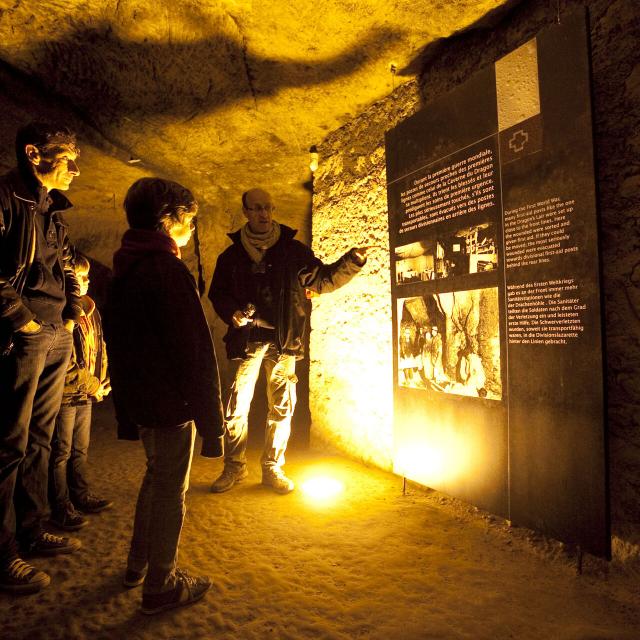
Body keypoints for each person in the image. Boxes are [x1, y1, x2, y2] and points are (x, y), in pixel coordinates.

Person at [107, 177, 224, 615]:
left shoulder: (125, 268)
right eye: (188, 220)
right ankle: (162, 582)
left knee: (155, 477)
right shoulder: (166, 269)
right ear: (168, 220)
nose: (190, 229)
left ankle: (138, 563)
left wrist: (124, 409)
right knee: (171, 487)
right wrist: (213, 426)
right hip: (171, 402)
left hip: (142, 399)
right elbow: (194, 351)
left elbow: (117, 346)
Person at [208, 187, 367, 495]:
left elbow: (322, 281)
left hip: (285, 343)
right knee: (235, 409)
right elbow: (218, 294)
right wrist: (233, 313)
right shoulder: (231, 256)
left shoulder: (293, 252)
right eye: (256, 208)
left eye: (267, 207)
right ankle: (234, 468)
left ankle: (272, 469)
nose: (263, 214)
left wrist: (353, 261)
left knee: (281, 408)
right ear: (246, 213)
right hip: (246, 342)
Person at [0, 122, 83, 594]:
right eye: (68, 158)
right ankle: (3, 552)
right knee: (9, 442)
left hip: (55, 332)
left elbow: (67, 263)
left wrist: (71, 313)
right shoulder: (6, 198)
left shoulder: (53, 209)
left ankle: (32, 530)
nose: (75, 169)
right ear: (34, 154)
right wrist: (22, 320)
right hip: (25, 334)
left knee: (40, 437)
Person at [49, 253, 112, 532]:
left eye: (87, 277)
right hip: (65, 394)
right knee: (60, 452)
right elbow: (65, 362)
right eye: (80, 277)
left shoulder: (92, 311)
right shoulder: (63, 313)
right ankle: (60, 506)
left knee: (80, 449)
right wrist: (93, 384)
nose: (86, 282)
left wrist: (102, 379)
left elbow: (100, 346)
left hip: (85, 393)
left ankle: (80, 494)